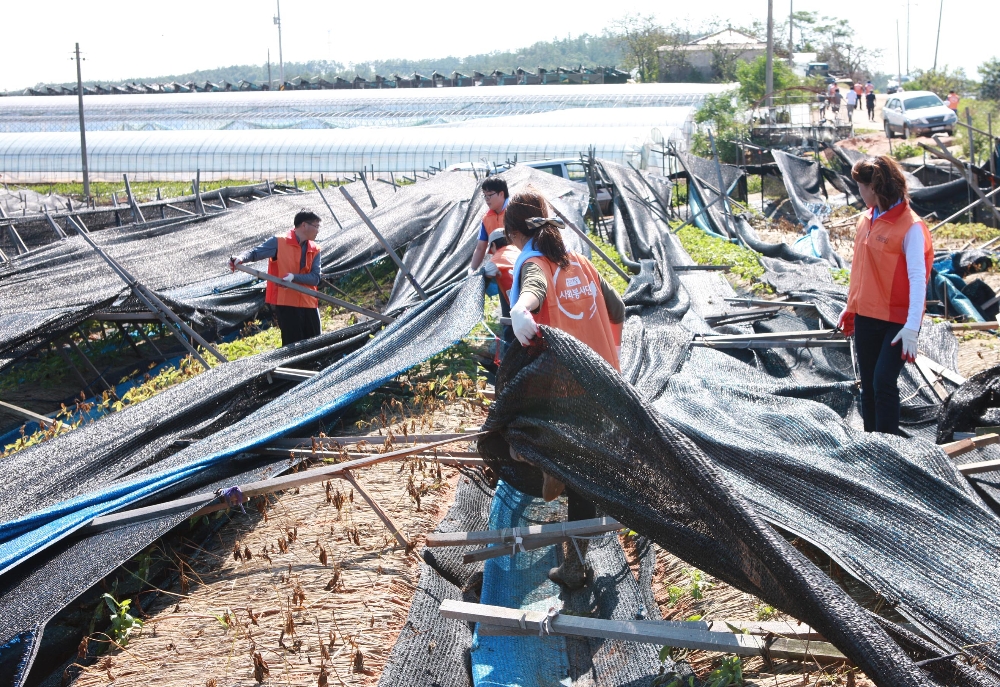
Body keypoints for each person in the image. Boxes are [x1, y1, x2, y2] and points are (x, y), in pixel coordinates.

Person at [503, 189, 626, 589]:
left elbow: (533, 291)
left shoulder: (535, 264)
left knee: (509, 424)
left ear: (516, 233)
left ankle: (546, 464)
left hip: (564, 391)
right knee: (584, 480)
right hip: (603, 385)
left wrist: (521, 309)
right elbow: (618, 309)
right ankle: (575, 563)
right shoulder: (583, 264)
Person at [837, 156, 933, 436]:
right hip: (867, 315)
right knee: (868, 385)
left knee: (883, 382)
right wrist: (851, 305)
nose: (859, 193)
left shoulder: (910, 227)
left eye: (860, 187)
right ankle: (872, 446)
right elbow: (861, 269)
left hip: (897, 321)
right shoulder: (865, 220)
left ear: (874, 188)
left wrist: (912, 327)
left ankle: (889, 447)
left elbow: (918, 279)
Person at [230, 209, 323, 347]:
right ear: (304, 225)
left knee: (315, 343)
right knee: (293, 345)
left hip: (308, 301)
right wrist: (241, 258)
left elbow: (315, 278)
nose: (317, 230)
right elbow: (256, 252)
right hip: (287, 303)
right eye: (316, 226)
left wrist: (293, 277)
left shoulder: (315, 248)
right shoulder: (279, 242)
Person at [481, 228, 519, 359]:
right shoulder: (520, 250)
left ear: (493, 245)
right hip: (536, 296)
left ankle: (510, 364)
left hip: (516, 301)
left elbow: (485, 276)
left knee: (511, 335)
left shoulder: (496, 260)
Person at [468, 177, 509, 272]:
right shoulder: (486, 218)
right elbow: (480, 248)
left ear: (501, 194)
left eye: (489, 195)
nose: (487, 199)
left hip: (518, 262)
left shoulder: (515, 211)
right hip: (498, 265)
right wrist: (472, 269)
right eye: (485, 196)